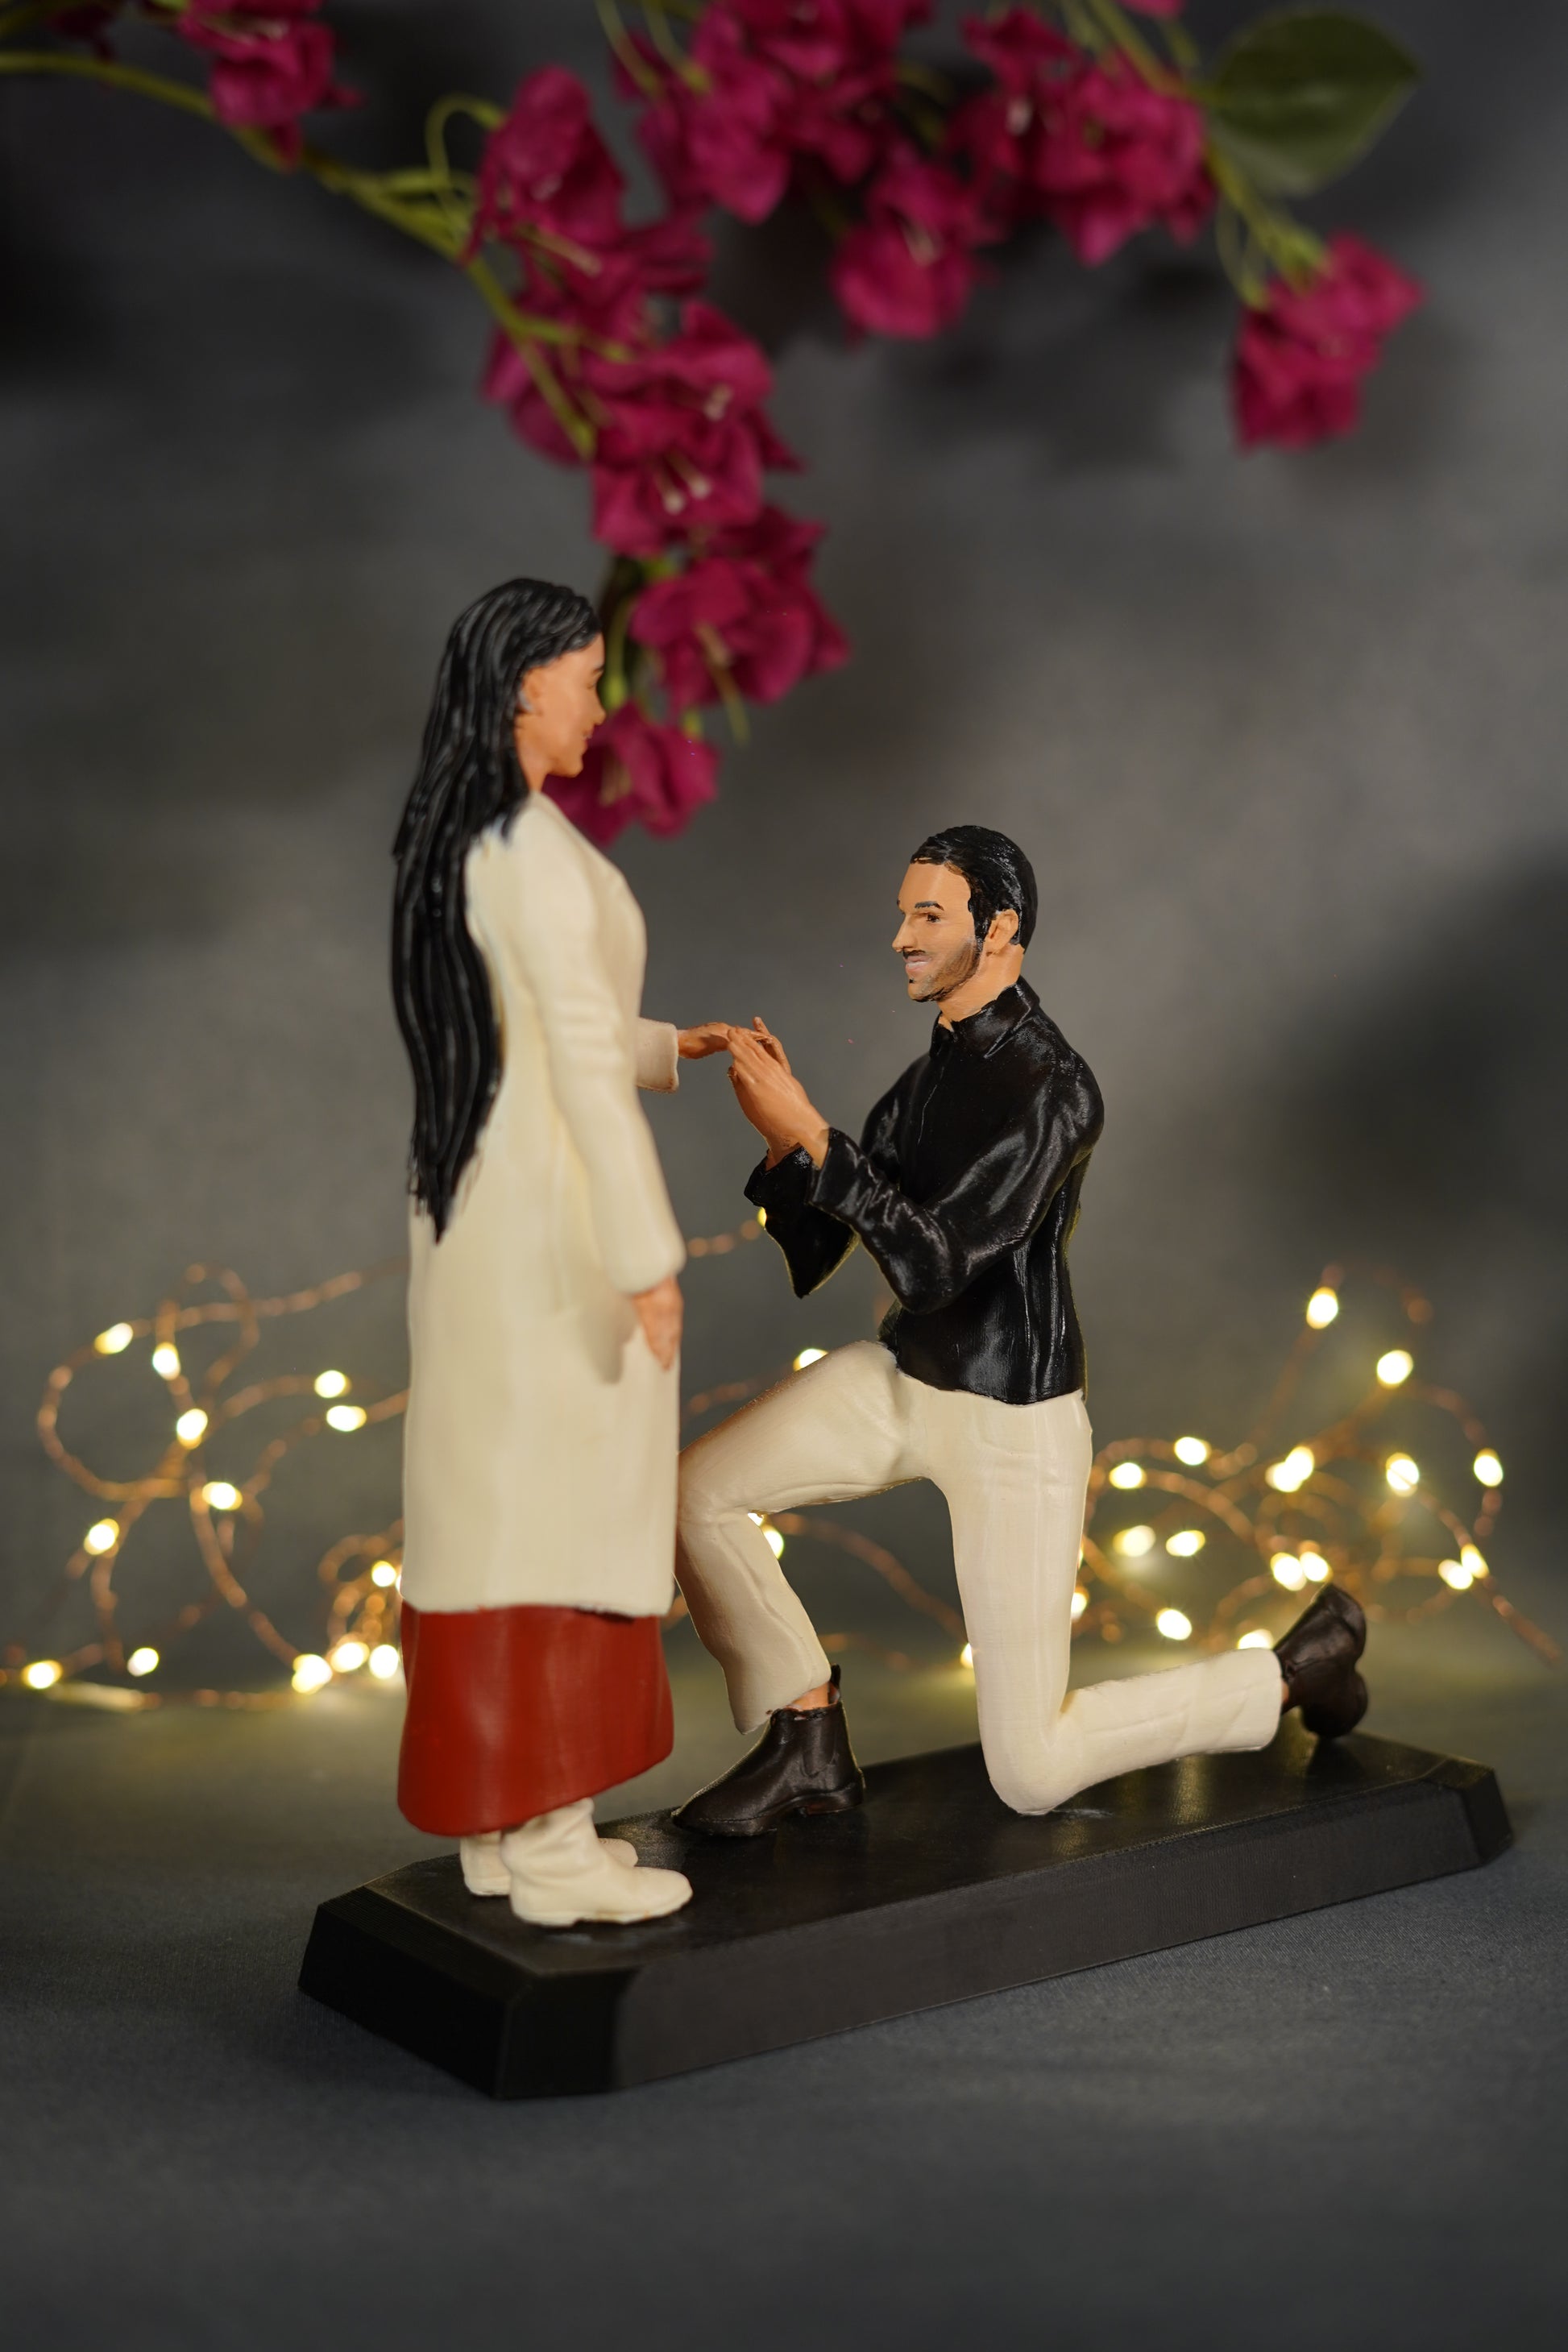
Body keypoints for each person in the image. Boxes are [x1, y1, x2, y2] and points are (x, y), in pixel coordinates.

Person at [674, 824, 1368, 1835]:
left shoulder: (1055, 1090)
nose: (901, 938)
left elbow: (935, 1264)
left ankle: (1293, 1672)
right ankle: (806, 1733)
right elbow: (821, 1251)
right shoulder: (925, 1080)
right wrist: (789, 1146)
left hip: (1011, 1421)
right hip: (905, 1379)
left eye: (927, 916)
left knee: (1031, 1771)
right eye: (902, 915)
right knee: (696, 1494)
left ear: (997, 929)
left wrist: (820, 1139)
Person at [390, 579, 728, 1924]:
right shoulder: (523, 850)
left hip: (485, 1214)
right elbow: (575, 1061)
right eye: (587, 680)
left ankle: (494, 1817)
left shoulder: (471, 841)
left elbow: (537, 1028)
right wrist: (645, 1251)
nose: (602, 705)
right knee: (563, 1520)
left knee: (490, 1515)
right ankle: (550, 1841)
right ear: (525, 686)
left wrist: (664, 1044)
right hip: (554, 1227)